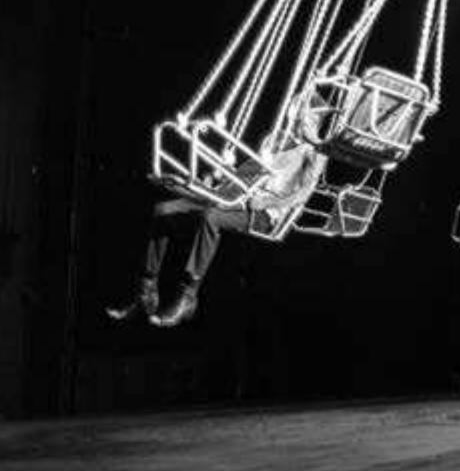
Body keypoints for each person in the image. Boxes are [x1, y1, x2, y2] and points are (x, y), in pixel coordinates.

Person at [106, 122, 328, 328]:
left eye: (305, 112)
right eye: (297, 109)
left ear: (316, 119)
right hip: (230, 196)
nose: (298, 116)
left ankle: (188, 295)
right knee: (163, 211)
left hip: (262, 213)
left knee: (211, 217)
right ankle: (146, 289)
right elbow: (250, 172)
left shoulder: (316, 152)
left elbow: (301, 196)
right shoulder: (276, 139)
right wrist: (224, 171)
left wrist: (266, 202)